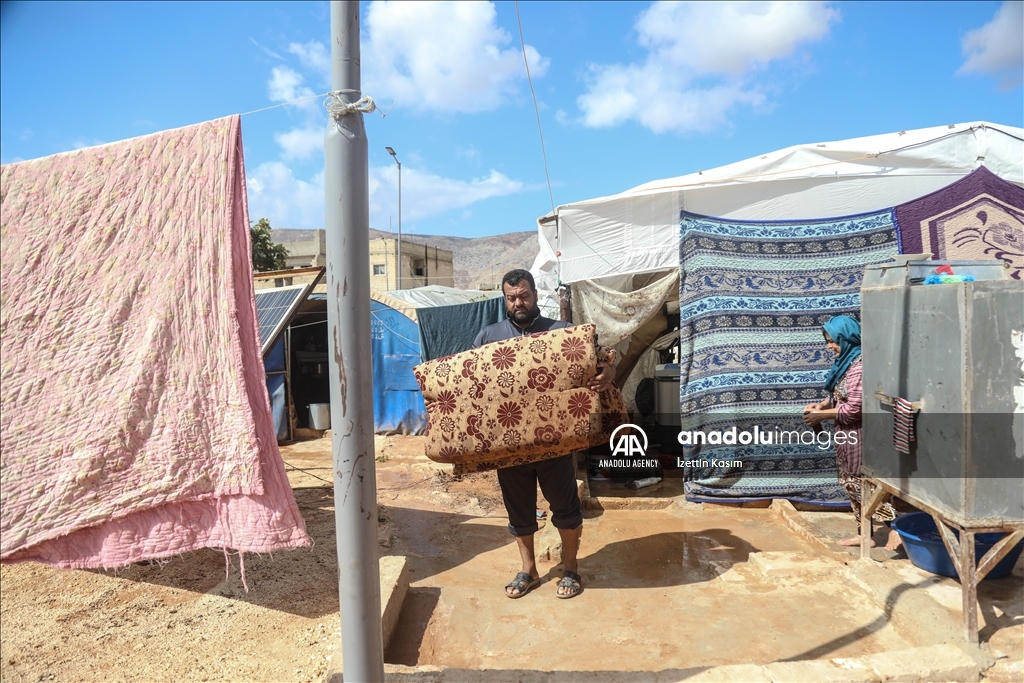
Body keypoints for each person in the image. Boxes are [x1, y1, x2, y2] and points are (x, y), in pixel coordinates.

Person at [472, 269, 616, 599]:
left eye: (524, 295)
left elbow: (604, 358)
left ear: (536, 294)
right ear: (504, 299)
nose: (518, 303)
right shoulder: (488, 338)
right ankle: (529, 570)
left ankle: (571, 569)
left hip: (555, 442)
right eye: (511, 298)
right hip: (509, 445)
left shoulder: (562, 333)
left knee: (565, 507)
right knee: (518, 509)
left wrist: (610, 371)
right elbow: (471, 384)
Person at [802, 315, 901, 550]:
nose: (829, 346)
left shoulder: (859, 366)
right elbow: (840, 395)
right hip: (846, 433)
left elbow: (855, 408)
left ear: (846, 338)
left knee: (861, 483)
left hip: (861, 433)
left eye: (832, 341)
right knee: (849, 482)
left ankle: (896, 528)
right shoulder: (846, 363)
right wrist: (823, 405)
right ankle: (864, 534)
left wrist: (821, 416)